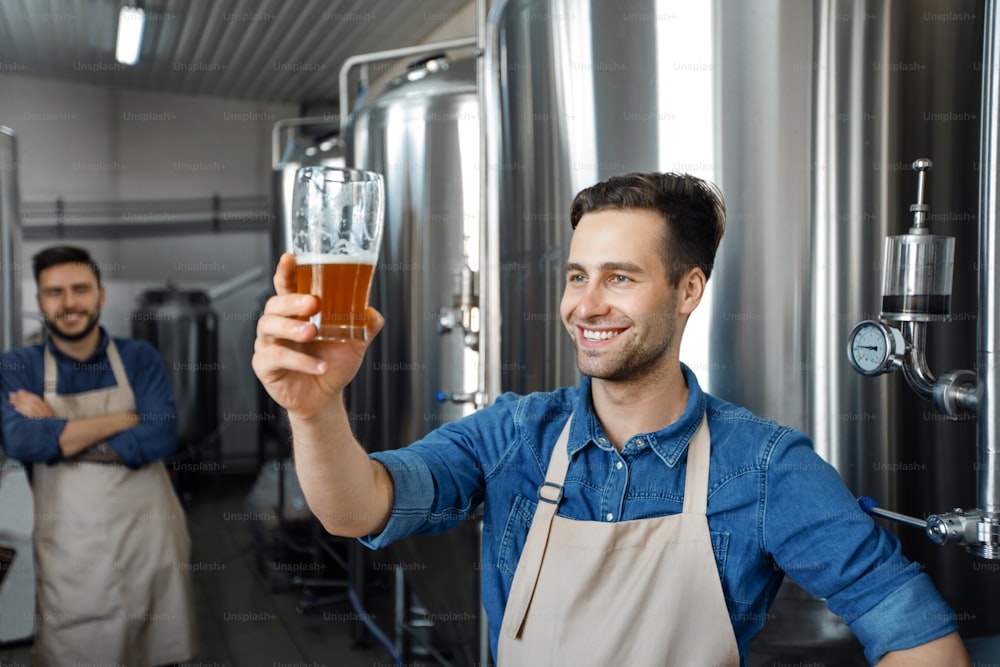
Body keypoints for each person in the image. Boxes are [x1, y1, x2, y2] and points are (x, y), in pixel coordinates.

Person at [252, 172, 970, 666]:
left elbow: (914, 628)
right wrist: (315, 409)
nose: (585, 305)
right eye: (576, 275)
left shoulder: (764, 465)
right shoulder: (514, 435)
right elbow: (361, 506)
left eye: (619, 277)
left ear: (689, 289)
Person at [0, 245, 196, 666]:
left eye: (80, 289)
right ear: (39, 302)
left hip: (151, 544)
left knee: (158, 651)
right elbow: (20, 441)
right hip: (71, 556)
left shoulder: (139, 358)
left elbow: (160, 437)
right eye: (54, 292)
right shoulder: (19, 366)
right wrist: (125, 419)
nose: (69, 303)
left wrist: (55, 428)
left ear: (101, 296)